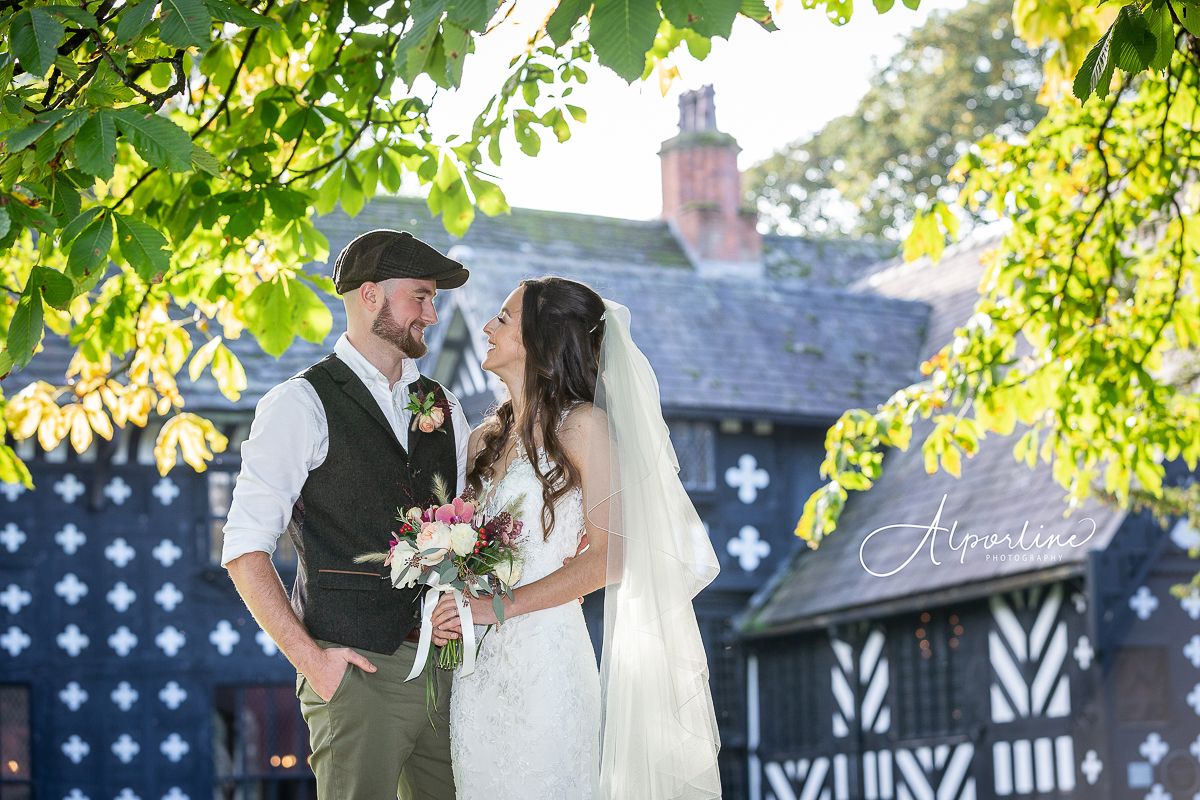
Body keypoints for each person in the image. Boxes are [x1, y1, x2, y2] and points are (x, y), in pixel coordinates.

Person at [432, 276, 723, 800]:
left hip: (547, 663)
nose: (486, 328)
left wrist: (496, 607)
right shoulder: (479, 443)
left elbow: (610, 559)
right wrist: (451, 605)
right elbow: (467, 555)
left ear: (541, 340)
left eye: (503, 318)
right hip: (477, 677)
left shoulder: (585, 429)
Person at [221, 229, 471, 800]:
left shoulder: (445, 405)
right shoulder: (298, 403)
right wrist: (313, 662)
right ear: (369, 296)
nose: (431, 315)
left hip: (446, 674)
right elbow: (243, 549)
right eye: (421, 297)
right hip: (357, 677)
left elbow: (462, 528)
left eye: (434, 300)